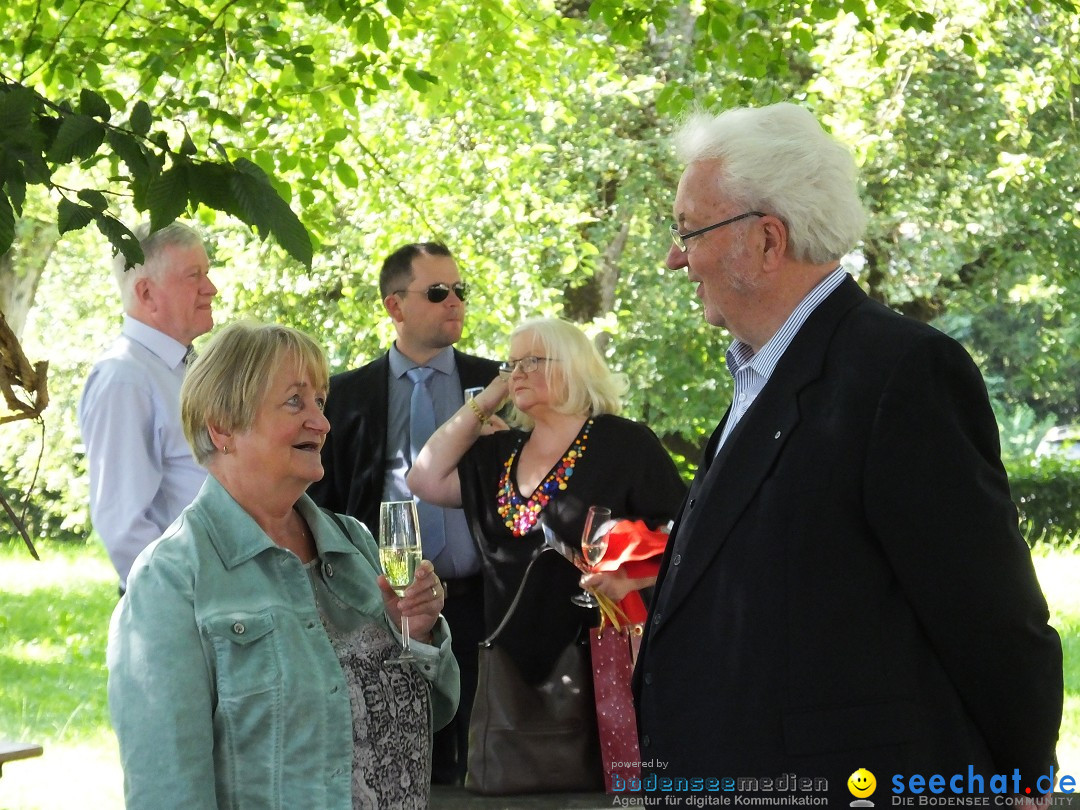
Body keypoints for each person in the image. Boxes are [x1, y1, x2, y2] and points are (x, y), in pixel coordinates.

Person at [633, 102, 1062, 806]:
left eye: (687, 230)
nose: (674, 257)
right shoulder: (764, 372)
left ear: (768, 240)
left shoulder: (902, 372)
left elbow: (990, 615)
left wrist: (1026, 776)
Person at [107, 321, 459, 810]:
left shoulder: (354, 543)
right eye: (295, 401)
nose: (321, 421)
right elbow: (167, 789)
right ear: (222, 427)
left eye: (320, 401)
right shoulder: (170, 580)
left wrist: (417, 636)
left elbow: (433, 714)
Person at [408, 316, 686, 783]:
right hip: (507, 671)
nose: (516, 371)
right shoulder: (501, 452)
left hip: (603, 666)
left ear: (574, 367)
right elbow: (424, 476)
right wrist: (488, 397)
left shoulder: (623, 443)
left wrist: (630, 579)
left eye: (531, 361)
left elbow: (687, 540)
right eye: (510, 363)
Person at [309, 241, 498, 785]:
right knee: (404, 764)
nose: (455, 301)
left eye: (461, 289)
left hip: (485, 605)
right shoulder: (343, 396)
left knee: (485, 770)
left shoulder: (497, 386)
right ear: (394, 306)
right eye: (438, 292)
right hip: (384, 611)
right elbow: (323, 503)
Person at [78, 222, 217, 591]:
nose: (211, 288)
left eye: (207, 273)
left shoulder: (184, 368)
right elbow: (124, 524)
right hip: (184, 605)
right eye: (194, 276)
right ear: (146, 293)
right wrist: (179, 600)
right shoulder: (125, 378)